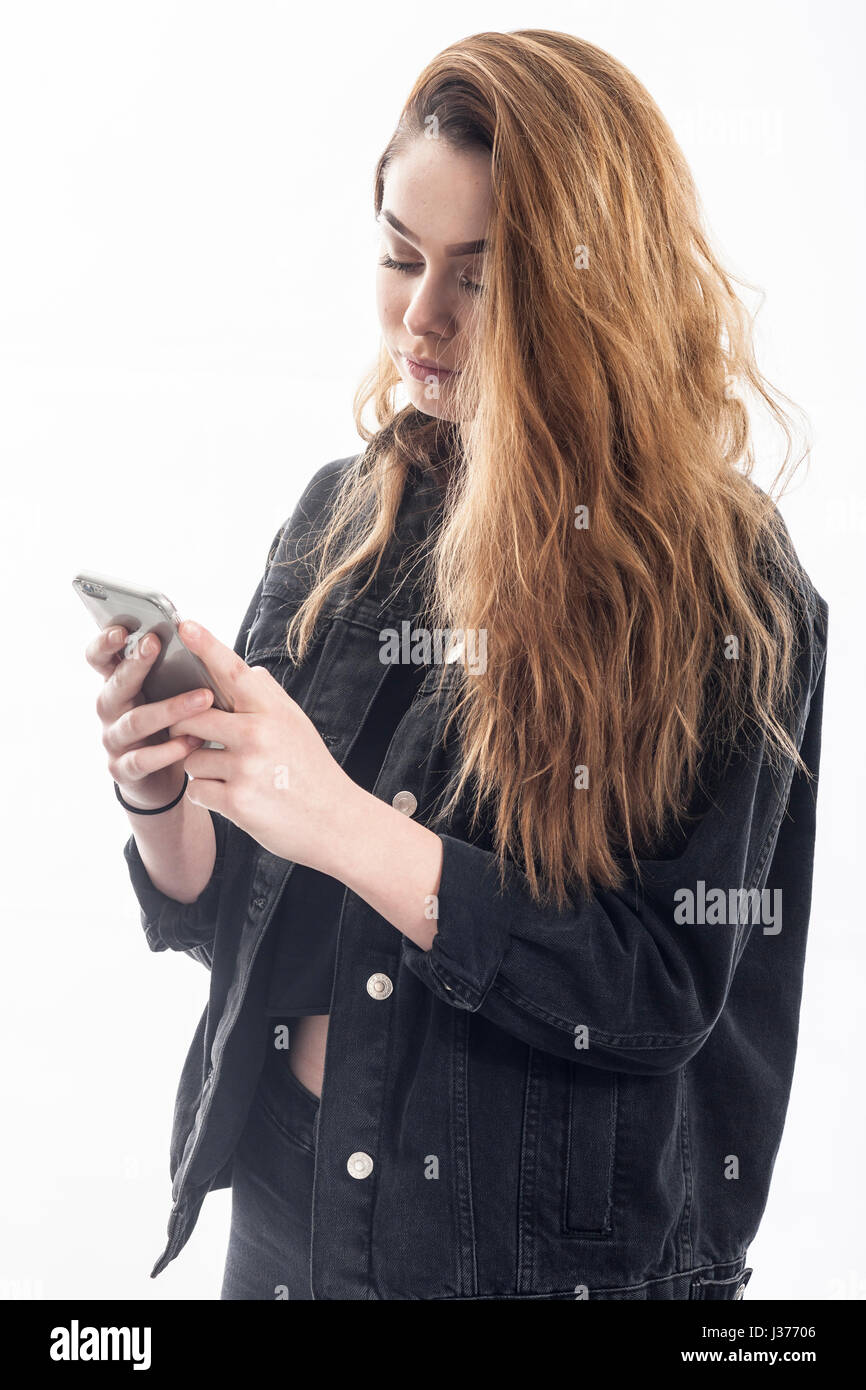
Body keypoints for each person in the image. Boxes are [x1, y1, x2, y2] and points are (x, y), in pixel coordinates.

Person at [87, 30, 828, 1300]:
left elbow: (657, 989)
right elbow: (237, 916)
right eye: (398, 255)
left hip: (526, 1265)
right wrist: (166, 791)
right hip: (285, 1223)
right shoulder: (344, 514)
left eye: (477, 278)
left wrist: (341, 820)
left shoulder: (722, 583)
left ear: (593, 287)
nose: (417, 317)